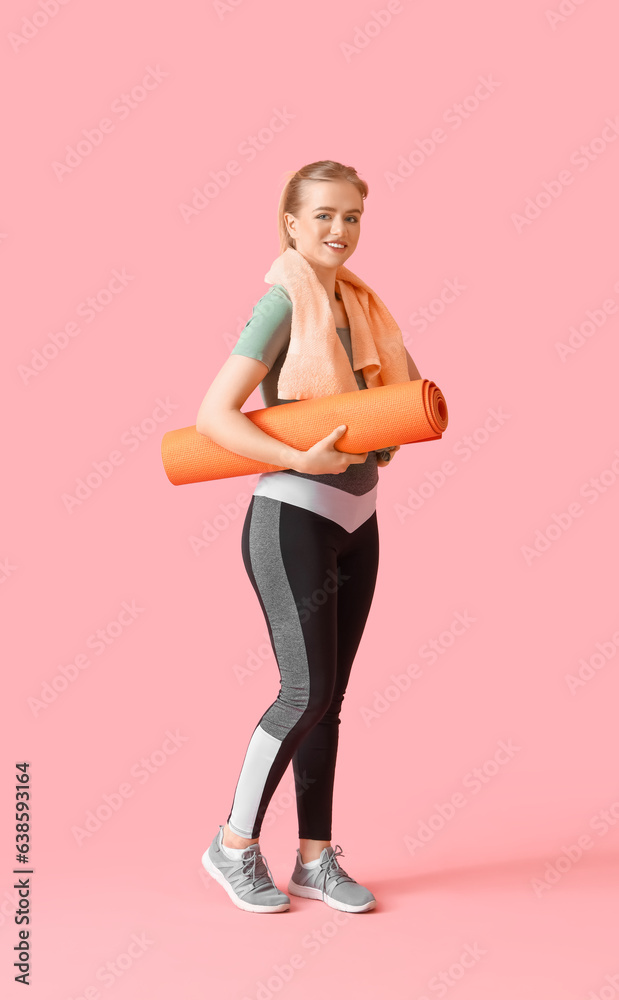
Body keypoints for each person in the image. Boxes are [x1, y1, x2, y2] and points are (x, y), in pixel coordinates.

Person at [197, 160, 421, 914]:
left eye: (352, 216)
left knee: (330, 701)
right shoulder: (283, 302)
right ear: (291, 223)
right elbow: (213, 417)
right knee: (305, 691)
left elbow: (395, 397)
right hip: (293, 514)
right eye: (323, 215)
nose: (339, 230)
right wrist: (296, 455)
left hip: (360, 517)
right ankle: (231, 847)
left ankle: (314, 861)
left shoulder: (357, 304)